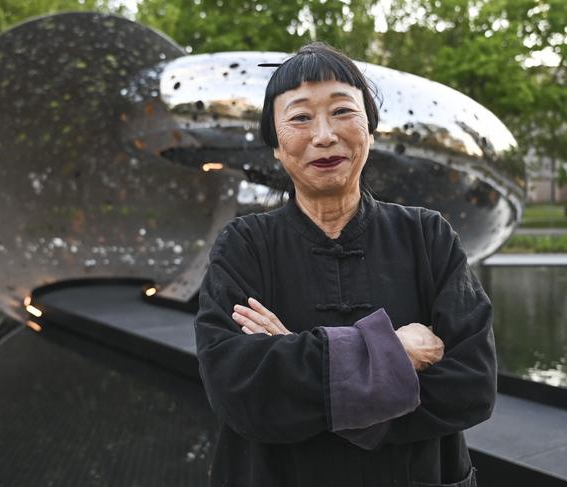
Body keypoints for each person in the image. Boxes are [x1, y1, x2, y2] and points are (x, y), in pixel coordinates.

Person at [194, 42, 496, 487]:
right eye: (299, 117)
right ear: (276, 147)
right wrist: (395, 353)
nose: (323, 135)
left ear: (370, 133)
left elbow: (471, 386)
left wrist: (296, 359)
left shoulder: (428, 236)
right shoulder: (244, 246)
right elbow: (239, 390)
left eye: (342, 111)